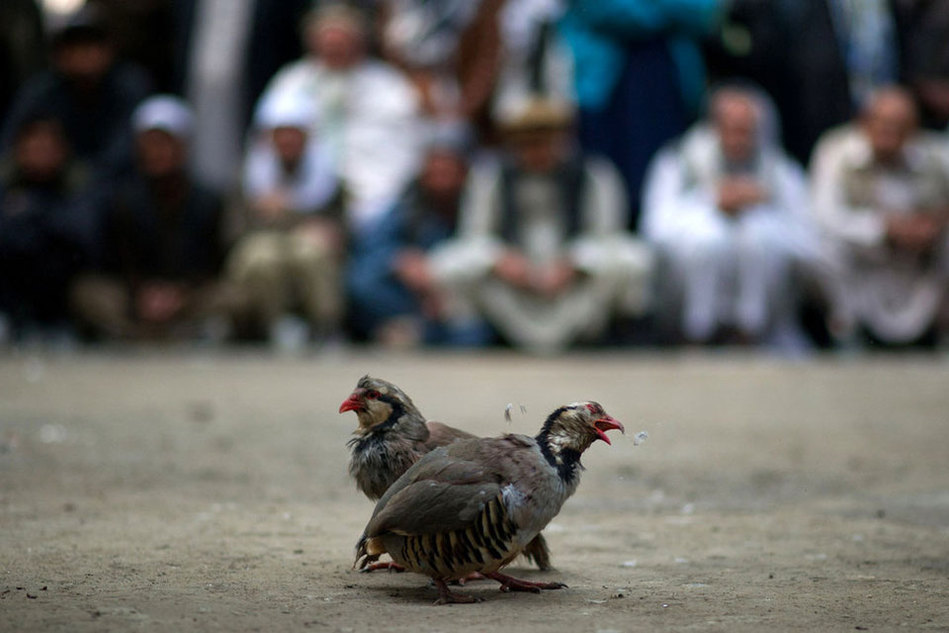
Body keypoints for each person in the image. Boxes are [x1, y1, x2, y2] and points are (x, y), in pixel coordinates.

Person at [433, 98, 653, 354]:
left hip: (572, 277)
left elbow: (608, 235)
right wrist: (500, 258)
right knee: (446, 264)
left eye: (545, 141)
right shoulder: (490, 176)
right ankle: (477, 334)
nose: (537, 150)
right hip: (514, 276)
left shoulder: (594, 173)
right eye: (527, 142)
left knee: (635, 259)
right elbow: (473, 234)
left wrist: (574, 262)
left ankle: (607, 333)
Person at [641, 85, 821, 347]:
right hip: (683, 296)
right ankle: (697, 333)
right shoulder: (679, 161)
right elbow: (655, 231)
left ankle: (749, 332)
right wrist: (708, 202)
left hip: (767, 311)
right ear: (713, 127)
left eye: (746, 130)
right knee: (708, 236)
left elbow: (810, 242)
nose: (738, 139)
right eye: (730, 128)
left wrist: (762, 206)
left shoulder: (780, 169)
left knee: (760, 234)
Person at [71, 96, 241, 342]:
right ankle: (138, 333)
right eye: (150, 144)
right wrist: (141, 293)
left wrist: (180, 293)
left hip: (189, 297)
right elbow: (111, 260)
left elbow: (216, 261)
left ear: (183, 147)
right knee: (87, 292)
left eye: (165, 144)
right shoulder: (121, 199)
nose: (158, 152)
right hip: (135, 296)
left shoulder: (207, 201)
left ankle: (169, 332)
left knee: (237, 297)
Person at [256, 3, 423, 230]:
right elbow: (262, 146)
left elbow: (410, 151)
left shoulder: (390, 88)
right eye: (327, 44)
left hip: (374, 200)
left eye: (341, 44)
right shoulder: (290, 83)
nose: (334, 51)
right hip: (301, 204)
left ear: (359, 43)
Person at [559, 0, 722, 228]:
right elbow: (601, 9)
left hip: (668, 87)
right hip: (607, 93)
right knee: (607, 179)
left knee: (666, 174)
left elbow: (702, 11)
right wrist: (664, 13)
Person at [810, 87, 949, 348]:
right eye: (882, 124)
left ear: (914, 129)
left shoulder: (938, 156)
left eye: (899, 126)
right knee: (821, 250)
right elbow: (823, 217)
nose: (889, 134)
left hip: (918, 267)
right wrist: (884, 229)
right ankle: (847, 331)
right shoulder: (835, 151)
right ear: (863, 122)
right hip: (862, 263)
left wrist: (934, 225)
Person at [347, 125, 492, 347]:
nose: (439, 181)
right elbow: (370, 247)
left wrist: (441, 284)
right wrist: (399, 260)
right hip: (413, 300)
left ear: (463, 174)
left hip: (460, 299)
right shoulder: (409, 206)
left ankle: (415, 333)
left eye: (447, 173)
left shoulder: (481, 206)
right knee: (362, 282)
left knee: (475, 334)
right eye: (433, 173)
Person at [227, 96, 344, 348]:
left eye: (294, 134)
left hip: (305, 246)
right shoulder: (249, 175)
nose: (287, 141)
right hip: (264, 244)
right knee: (262, 256)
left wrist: (285, 214)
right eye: (281, 134)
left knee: (311, 251)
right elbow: (234, 230)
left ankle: (326, 327)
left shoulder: (328, 176)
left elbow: (338, 227)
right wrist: (291, 219)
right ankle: (274, 325)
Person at [0, 6, 152, 179]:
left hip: (118, 181)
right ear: (58, 54)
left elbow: (131, 147)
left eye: (90, 45)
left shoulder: (129, 85)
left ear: (108, 50)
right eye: (74, 46)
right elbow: (10, 141)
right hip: (56, 184)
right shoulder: (42, 90)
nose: (82, 55)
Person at [0, 114, 95, 343]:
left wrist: (31, 211)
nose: (40, 153)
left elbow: (83, 233)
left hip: (61, 288)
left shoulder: (79, 183)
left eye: (48, 146)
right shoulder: (6, 183)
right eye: (34, 146)